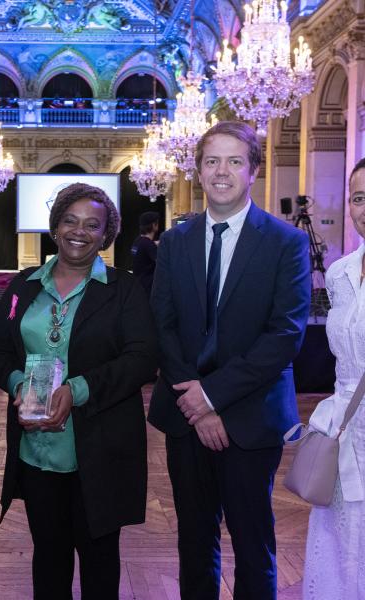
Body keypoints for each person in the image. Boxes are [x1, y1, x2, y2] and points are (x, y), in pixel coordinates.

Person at [148, 121, 311, 600]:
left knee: (253, 542)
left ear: (253, 171)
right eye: (212, 161)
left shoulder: (286, 242)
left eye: (234, 161)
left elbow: (284, 335)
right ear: (198, 170)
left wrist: (212, 397)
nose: (222, 171)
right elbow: (163, 326)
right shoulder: (175, 242)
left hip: (251, 418)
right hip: (184, 418)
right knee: (194, 543)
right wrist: (195, 403)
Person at [0, 182, 158, 599]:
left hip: (100, 449)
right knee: (49, 560)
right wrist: (18, 384)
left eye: (92, 225)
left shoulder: (124, 290)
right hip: (37, 449)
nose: (79, 231)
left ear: (106, 235)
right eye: (70, 220)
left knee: (100, 567)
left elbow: (141, 359)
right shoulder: (24, 286)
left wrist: (77, 389)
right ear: (55, 226)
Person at [302, 158, 365, 599]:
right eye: (359, 198)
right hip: (345, 430)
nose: (364, 207)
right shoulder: (341, 273)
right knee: (344, 550)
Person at [131, 210, 159, 295]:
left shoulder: (137, 241)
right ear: (154, 225)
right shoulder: (148, 245)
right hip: (148, 288)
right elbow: (161, 263)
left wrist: (155, 244)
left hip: (138, 285)